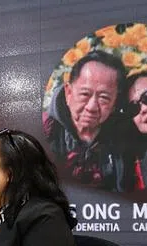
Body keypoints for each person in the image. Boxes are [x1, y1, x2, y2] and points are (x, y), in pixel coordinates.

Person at [43, 50, 129, 190]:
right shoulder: (47, 131)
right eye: (85, 94)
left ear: (115, 103)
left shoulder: (124, 137)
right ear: (68, 93)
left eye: (104, 97)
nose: (91, 107)